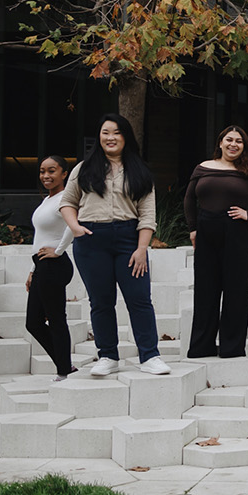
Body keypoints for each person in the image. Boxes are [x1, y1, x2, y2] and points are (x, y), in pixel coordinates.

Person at [59, 114, 171, 376]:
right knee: (101, 301)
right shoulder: (83, 169)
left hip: (128, 238)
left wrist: (141, 249)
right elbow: (67, 203)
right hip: (91, 239)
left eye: (117, 132)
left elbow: (147, 216)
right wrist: (76, 228)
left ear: (126, 137)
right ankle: (107, 355)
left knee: (139, 299)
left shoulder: (140, 172)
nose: (110, 137)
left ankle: (150, 356)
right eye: (105, 132)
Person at [184, 126, 248, 359]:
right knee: (205, 289)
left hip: (237, 232)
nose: (233, 144)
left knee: (236, 289)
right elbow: (189, 198)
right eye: (229, 140)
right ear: (221, 143)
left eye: (239, 141)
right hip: (206, 231)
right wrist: (193, 228)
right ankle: (201, 347)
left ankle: (231, 348)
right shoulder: (203, 167)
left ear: (244, 147)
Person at [25, 155, 76, 380]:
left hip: (55, 264)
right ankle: (65, 364)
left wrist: (59, 250)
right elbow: (41, 236)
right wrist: (33, 269)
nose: (46, 175)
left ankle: (64, 370)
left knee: (56, 318)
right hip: (42, 265)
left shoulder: (67, 197)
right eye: (42, 171)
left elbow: (73, 225)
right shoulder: (48, 199)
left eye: (52, 171)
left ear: (64, 174)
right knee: (33, 323)